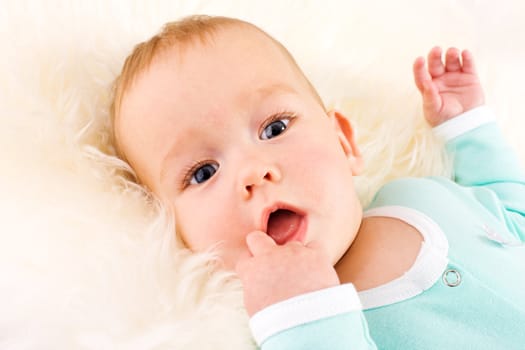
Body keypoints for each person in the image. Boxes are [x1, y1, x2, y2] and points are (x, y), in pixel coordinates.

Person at [110, 15, 525, 349]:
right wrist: (304, 318)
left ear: (344, 142)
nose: (254, 171)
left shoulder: (419, 192)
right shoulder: (280, 328)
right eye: (203, 172)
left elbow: (512, 211)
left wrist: (468, 128)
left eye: (274, 128)